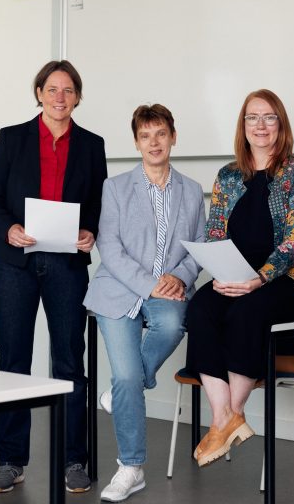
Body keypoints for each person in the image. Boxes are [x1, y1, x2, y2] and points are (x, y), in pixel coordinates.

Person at [0, 60, 107, 493]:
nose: (59, 97)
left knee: (70, 361)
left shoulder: (92, 145)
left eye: (68, 90)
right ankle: (11, 460)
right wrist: (8, 228)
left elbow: (96, 205)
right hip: (16, 263)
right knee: (13, 359)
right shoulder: (12, 138)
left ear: (77, 97)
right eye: (51, 89)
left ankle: (74, 460)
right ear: (38, 93)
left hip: (67, 265)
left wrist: (90, 231)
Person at [184, 89, 294, 467]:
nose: (260, 126)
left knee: (247, 310)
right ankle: (224, 418)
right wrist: (223, 272)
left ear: (281, 124)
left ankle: (232, 412)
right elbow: (215, 233)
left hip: (292, 282)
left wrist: (257, 280)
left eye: (269, 117)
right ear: (242, 126)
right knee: (200, 307)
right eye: (252, 118)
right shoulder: (227, 176)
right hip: (238, 278)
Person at [83, 104, 205, 501]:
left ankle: (124, 391)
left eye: (161, 134)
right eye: (145, 136)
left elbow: (198, 247)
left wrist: (179, 277)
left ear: (173, 136)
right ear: (136, 142)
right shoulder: (115, 187)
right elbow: (110, 248)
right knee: (125, 376)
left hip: (169, 290)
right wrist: (149, 284)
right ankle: (131, 468)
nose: (154, 142)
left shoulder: (191, 190)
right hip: (119, 289)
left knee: (170, 327)